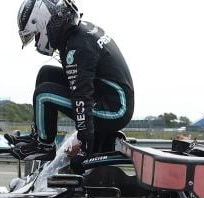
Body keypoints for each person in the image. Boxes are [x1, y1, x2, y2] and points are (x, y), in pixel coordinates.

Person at [11, 0, 135, 164]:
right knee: (45, 73)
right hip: (109, 95)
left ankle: (45, 147)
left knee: (44, 94)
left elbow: (81, 96)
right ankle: (39, 136)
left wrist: (85, 146)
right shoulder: (78, 33)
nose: (36, 42)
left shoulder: (78, 47)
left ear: (44, 23)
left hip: (115, 110)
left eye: (36, 35)